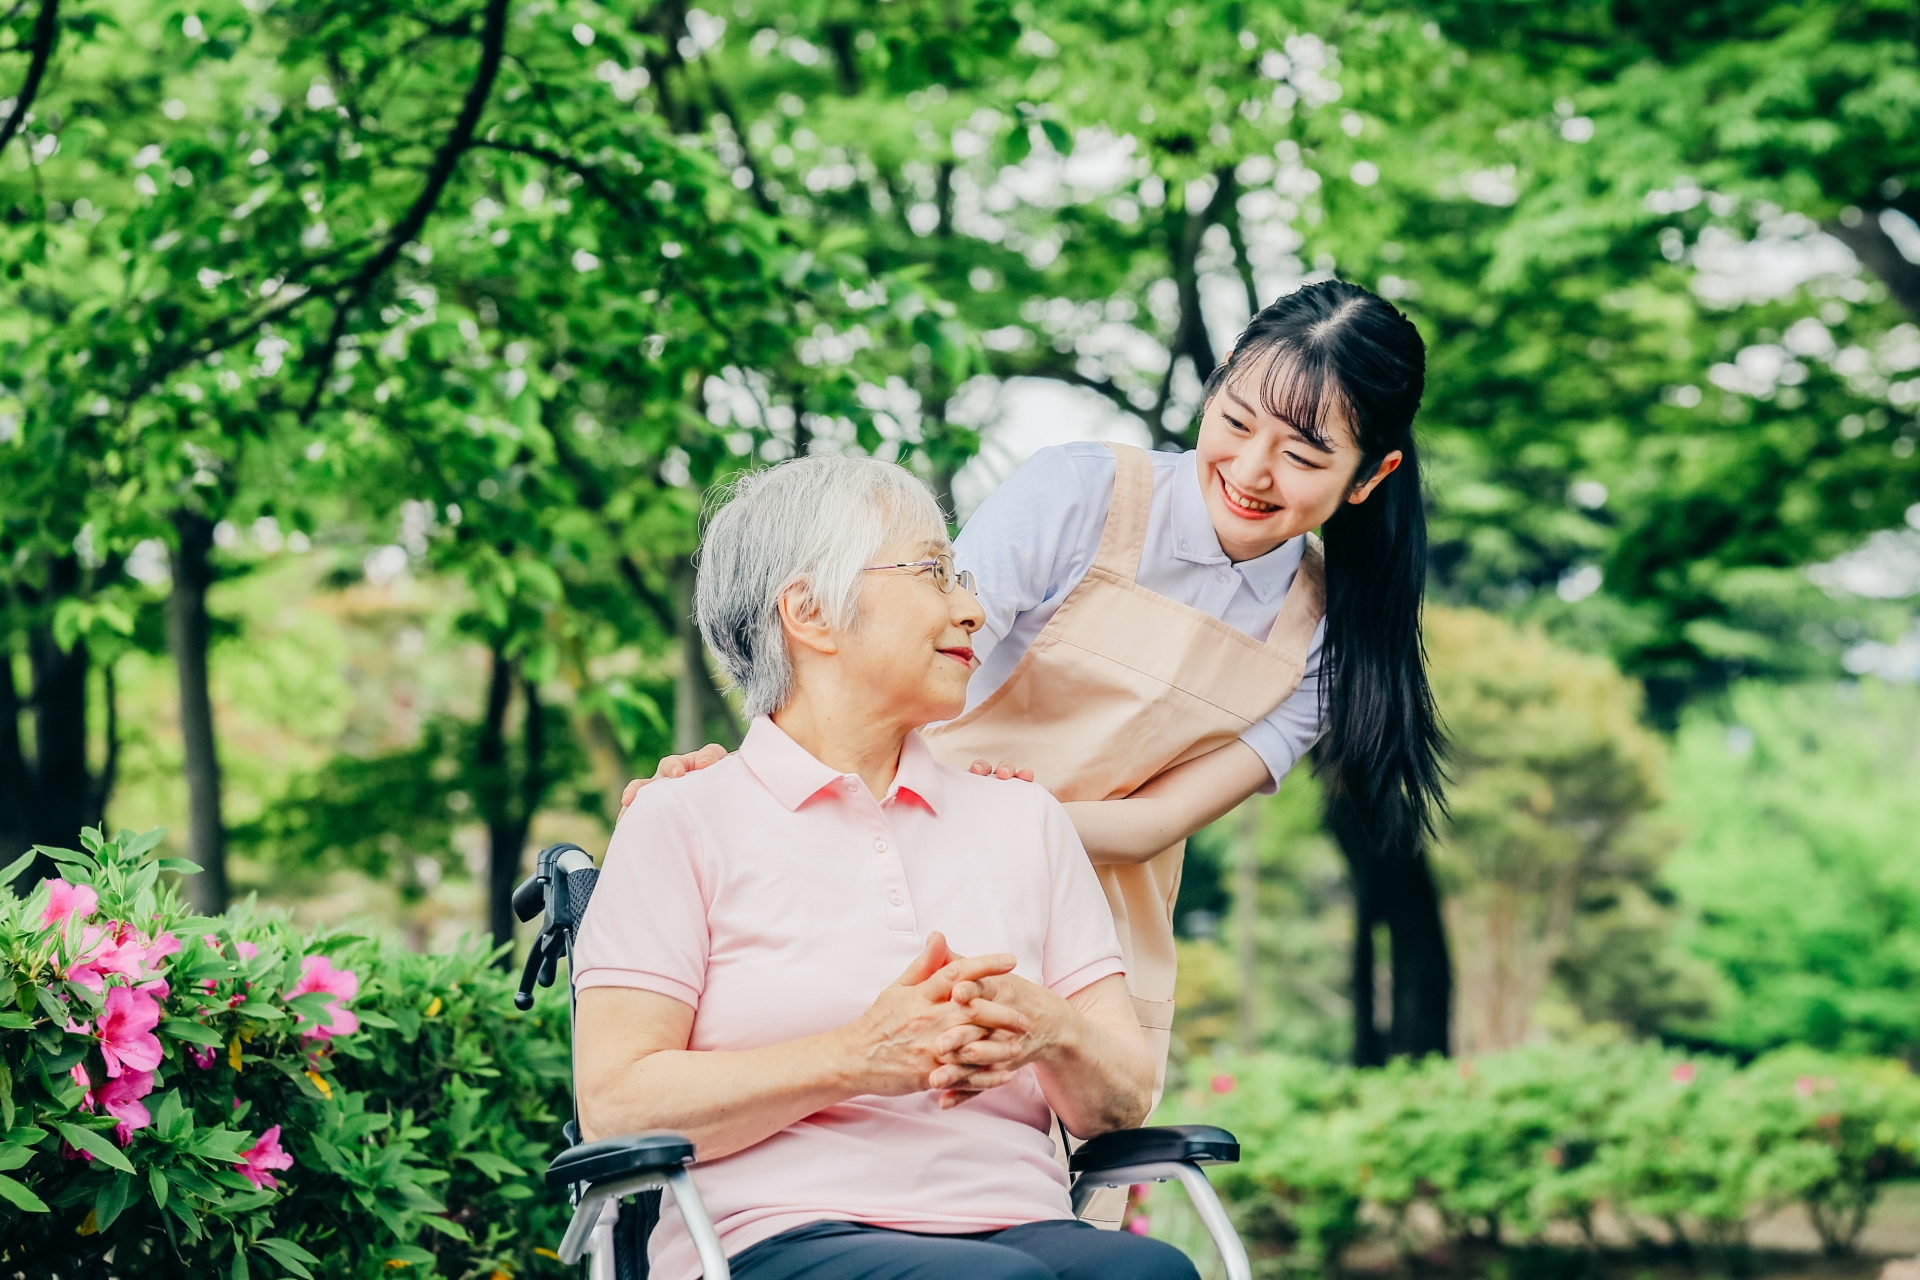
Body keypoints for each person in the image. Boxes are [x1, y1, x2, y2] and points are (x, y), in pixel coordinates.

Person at [626, 279, 1443, 1090]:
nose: (1253, 470)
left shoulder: (1332, 638)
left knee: (1048, 1183)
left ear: (1371, 476)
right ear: (1219, 378)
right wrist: (748, 790)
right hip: (894, 856)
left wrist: (1003, 825)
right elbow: (893, 660)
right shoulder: (1081, 495)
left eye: (1303, 457)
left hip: (1102, 929)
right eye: (1235, 422)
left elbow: (1155, 822)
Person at [571, 456, 1196, 1280]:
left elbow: (1123, 1098)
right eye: (934, 573)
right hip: (775, 1236)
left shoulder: (1025, 819)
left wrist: (1051, 1030)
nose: (973, 609)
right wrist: (858, 1054)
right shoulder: (681, 819)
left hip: (1019, 1224)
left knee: (1150, 1275)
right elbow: (616, 1104)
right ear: (811, 611)